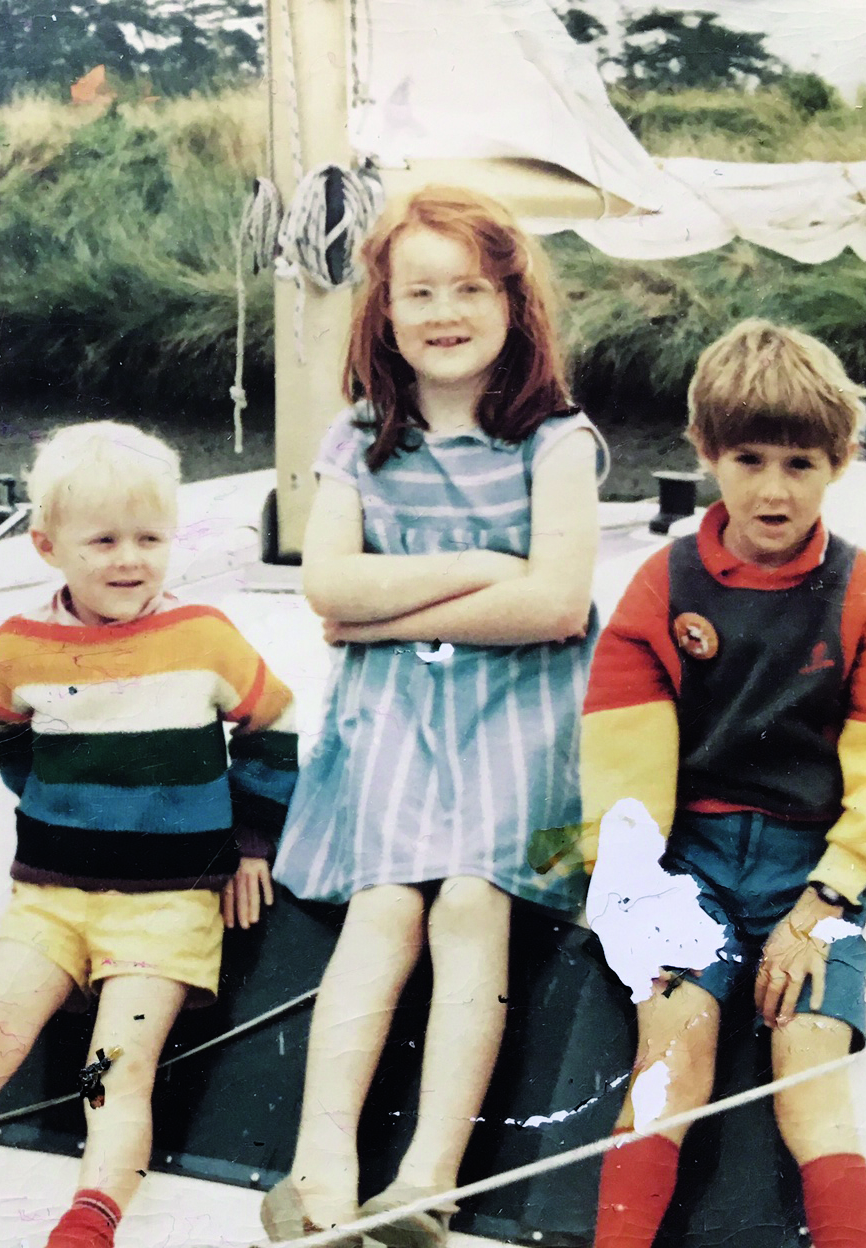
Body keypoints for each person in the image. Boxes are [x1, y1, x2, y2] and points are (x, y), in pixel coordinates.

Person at [0, 423, 298, 1248]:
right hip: (49, 899)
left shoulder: (205, 637)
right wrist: (54, 801)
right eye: (102, 540)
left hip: (166, 908)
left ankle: (87, 1229)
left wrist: (250, 839)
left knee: (115, 1072)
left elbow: (272, 724)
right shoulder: (15, 649)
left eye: (149, 538)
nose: (129, 558)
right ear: (47, 546)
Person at [263, 186, 603, 1247]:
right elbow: (328, 588)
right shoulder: (359, 437)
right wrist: (476, 565)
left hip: (519, 716)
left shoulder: (553, 440)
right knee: (383, 912)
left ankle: (425, 1180)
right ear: (386, 309)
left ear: (512, 301)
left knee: (468, 903)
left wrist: (388, 602)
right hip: (395, 713)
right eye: (420, 291)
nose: (443, 311)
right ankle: (319, 1167)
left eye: (469, 288)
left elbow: (554, 603)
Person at [579, 320, 866, 1248]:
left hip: (814, 868)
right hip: (687, 862)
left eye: (800, 463)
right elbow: (621, 764)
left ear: (840, 462)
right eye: (749, 458)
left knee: (806, 1075)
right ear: (706, 452)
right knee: (673, 1056)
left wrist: (822, 904)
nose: (774, 490)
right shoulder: (662, 586)